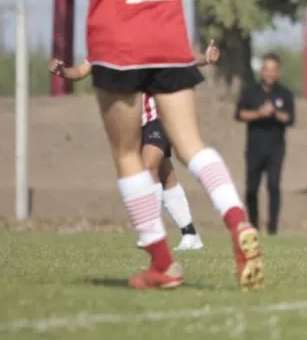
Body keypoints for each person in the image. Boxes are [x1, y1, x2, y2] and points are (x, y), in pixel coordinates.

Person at [0, 0, 262, 291]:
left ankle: (161, 263)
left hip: (119, 42)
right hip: (168, 36)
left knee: (126, 153)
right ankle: (238, 223)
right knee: (193, 145)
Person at [48, 40, 221, 251]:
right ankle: (191, 236)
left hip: (159, 116)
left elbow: (184, 57)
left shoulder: (145, 37)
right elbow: (81, 71)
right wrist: (63, 71)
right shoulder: (103, 47)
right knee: (166, 175)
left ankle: (152, 232)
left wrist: (206, 58)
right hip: (132, 125)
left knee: (149, 167)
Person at [235, 53, 295, 236]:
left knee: (274, 186)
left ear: (278, 72)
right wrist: (259, 114)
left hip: (276, 149)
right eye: (266, 69)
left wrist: (275, 113)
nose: (269, 73)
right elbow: (240, 114)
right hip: (254, 148)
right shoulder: (250, 92)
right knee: (252, 188)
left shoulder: (285, 94)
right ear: (262, 71)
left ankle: (272, 229)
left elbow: (290, 118)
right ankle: (253, 226)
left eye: (273, 70)